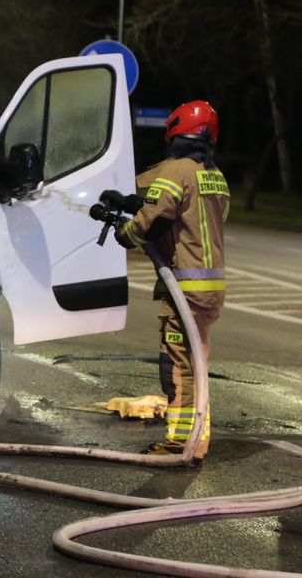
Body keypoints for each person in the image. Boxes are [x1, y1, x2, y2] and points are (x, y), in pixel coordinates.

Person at [108, 100, 229, 466]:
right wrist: (131, 201)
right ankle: (198, 439)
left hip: (185, 289)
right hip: (210, 288)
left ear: (176, 130)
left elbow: (155, 217)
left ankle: (179, 444)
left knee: (177, 367)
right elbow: (182, 212)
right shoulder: (213, 174)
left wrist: (125, 232)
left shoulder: (174, 171)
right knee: (196, 363)